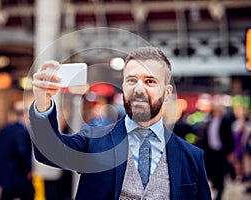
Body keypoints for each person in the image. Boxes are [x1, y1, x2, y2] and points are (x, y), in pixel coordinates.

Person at [29, 46, 211, 200]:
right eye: (132, 80)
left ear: (167, 92)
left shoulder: (191, 157)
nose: (139, 88)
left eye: (149, 81)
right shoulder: (94, 141)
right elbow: (49, 152)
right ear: (123, 87)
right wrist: (42, 103)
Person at [0, 101, 34, 200]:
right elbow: (22, 153)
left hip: (5, 175)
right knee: (29, 194)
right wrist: (28, 169)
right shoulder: (23, 132)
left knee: (6, 195)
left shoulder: (5, 129)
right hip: (19, 176)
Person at [199, 104, 234, 200]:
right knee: (210, 172)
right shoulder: (209, 122)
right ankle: (215, 186)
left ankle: (219, 193)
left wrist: (230, 152)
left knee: (221, 174)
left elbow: (229, 138)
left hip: (221, 152)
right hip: (210, 152)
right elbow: (205, 138)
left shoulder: (226, 122)